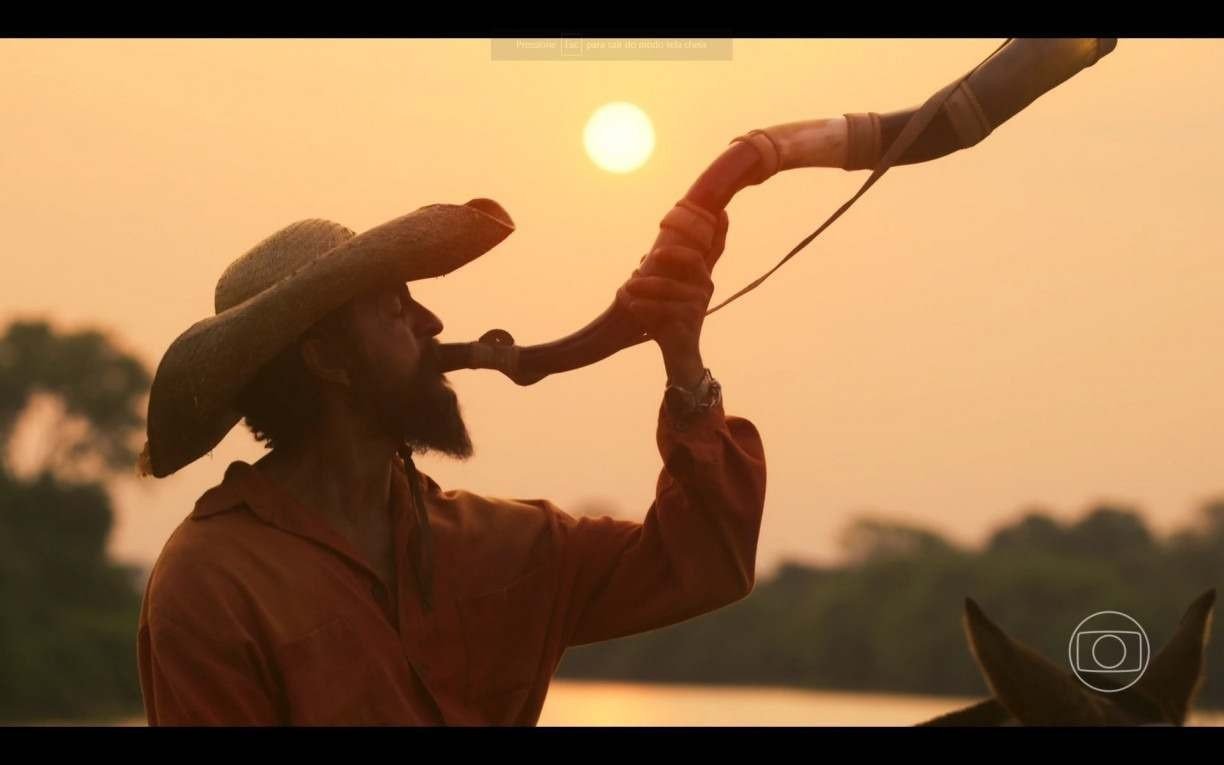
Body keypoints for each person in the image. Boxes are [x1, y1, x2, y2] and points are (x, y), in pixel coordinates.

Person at [135, 198, 767, 725]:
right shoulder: (212, 583)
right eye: (393, 308)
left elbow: (708, 565)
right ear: (326, 359)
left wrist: (683, 358)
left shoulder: (504, 546)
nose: (432, 321)